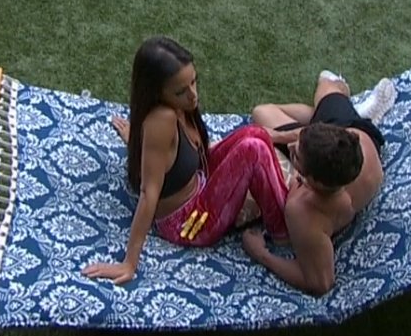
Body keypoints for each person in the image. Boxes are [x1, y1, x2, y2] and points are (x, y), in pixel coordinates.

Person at [81, 36, 300, 286]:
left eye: (194, 82)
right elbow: (148, 193)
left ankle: (283, 195)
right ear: (157, 93)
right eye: (181, 91)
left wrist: (289, 136)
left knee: (255, 133)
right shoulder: (161, 121)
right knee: (253, 149)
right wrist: (129, 263)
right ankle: (282, 229)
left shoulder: (179, 106)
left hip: (201, 182)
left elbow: (185, 150)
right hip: (189, 222)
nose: (193, 95)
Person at [241, 71, 396, 296]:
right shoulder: (347, 148)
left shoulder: (304, 210)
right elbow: (310, 136)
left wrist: (261, 254)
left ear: (310, 179)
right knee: (327, 84)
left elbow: (321, 283)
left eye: (296, 156)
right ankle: (355, 108)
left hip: (341, 142)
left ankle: (348, 112)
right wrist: (275, 136)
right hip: (356, 133)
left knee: (263, 112)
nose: (291, 148)